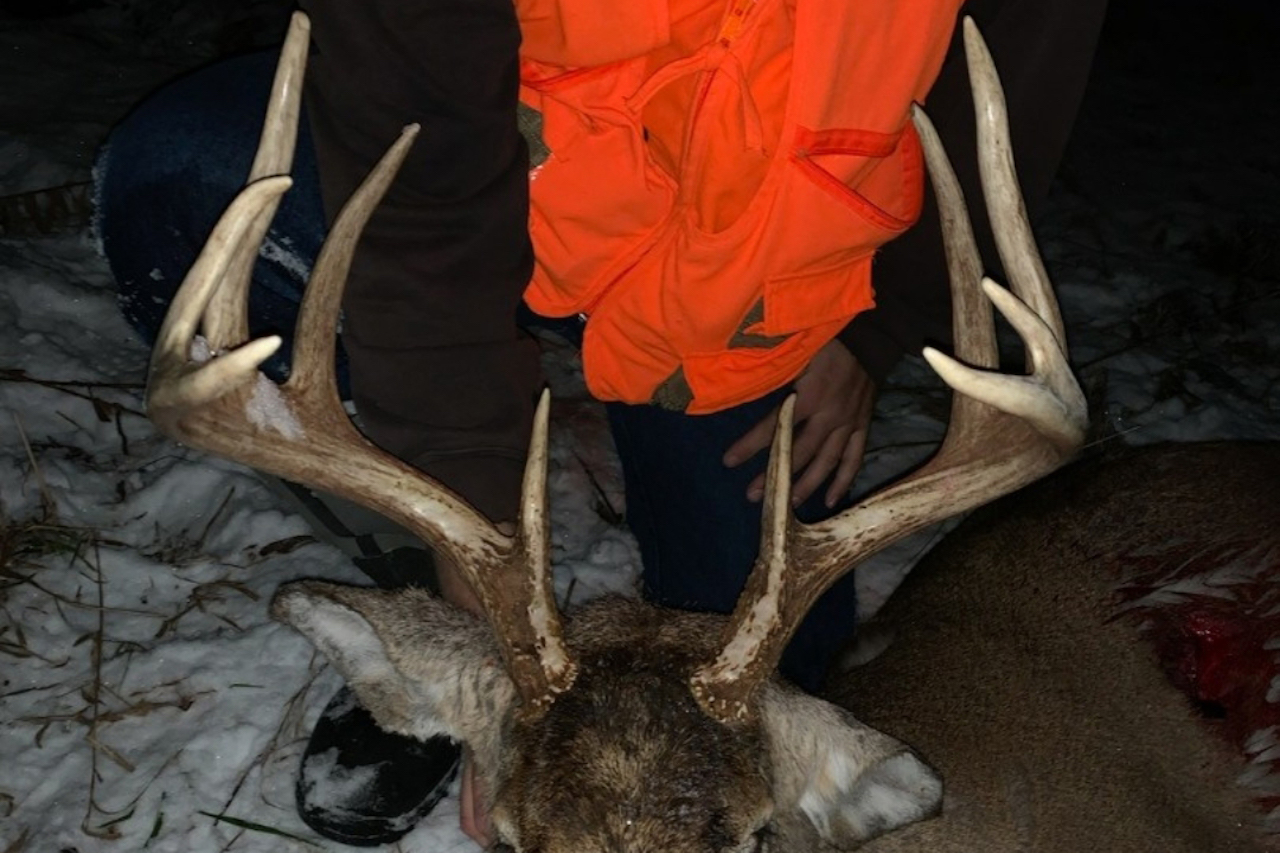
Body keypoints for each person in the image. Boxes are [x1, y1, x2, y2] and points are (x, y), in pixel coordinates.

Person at [96, 0, 1107, 845]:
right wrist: (467, 539)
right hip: (515, 203)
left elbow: (1006, 85)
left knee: (744, 701)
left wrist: (874, 328)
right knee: (185, 169)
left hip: (747, 305)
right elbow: (421, 190)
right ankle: (435, 631)